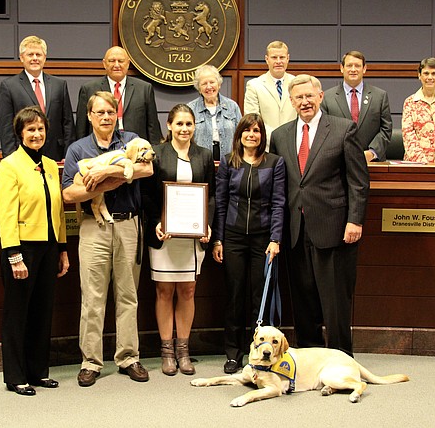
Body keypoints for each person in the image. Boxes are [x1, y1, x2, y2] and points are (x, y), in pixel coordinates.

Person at [269, 74, 369, 357]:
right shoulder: (280, 135)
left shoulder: (342, 129)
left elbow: (358, 182)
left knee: (335, 301)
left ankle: (340, 360)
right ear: (291, 101)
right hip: (295, 230)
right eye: (298, 98)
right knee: (303, 300)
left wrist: (355, 220)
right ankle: (311, 358)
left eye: (309, 96)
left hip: (334, 228)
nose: (304, 102)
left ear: (320, 97)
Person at [62, 91, 154, 387]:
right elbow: (68, 193)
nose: (105, 117)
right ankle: (91, 361)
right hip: (93, 227)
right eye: (99, 112)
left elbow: (147, 168)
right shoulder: (78, 148)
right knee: (92, 298)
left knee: (128, 296)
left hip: (129, 224)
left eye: (109, 112)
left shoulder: (132, 140)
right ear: (89, 116)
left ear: (118, 114)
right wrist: (111, 179)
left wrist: (106, 172)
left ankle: (128, 357)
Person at [0, 106, 69, 396]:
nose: (36, 134)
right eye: (31, 130)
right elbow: (6, 214)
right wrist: (14, 255)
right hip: (22, 249)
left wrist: (62, 250)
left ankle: (38, 371)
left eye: (40, 129)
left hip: (49, 248)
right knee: (17, 314)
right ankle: (15, 376)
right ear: (20, 133)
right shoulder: (10, 165)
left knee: (42, 312)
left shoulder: (51, 165)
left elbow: (59, 212)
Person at [142, 104, 215, 376]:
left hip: (193, 236)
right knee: (164, 291)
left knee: (187, 291)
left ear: (194, 127)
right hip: (165, 235)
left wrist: (208, 224)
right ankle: (166, 351)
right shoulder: (157, 154)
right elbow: (147, 195)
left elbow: (213, 196)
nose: (184, 129)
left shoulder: (204, 156)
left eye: (189, 124)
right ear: (169, 126)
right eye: (179, 124)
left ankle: (184, 351)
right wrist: (157, 223)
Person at [212, 113, 286, 374]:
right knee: (234, 296)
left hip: (263, 240)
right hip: (232, 238)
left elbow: (278, 203)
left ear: (262, 135)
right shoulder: (229, 164)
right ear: (239, 135)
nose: (251, 135)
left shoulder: (274, 163)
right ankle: (233, 354)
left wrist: (275, 238)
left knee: (259, 298)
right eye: (247, 130)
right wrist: (218, 239)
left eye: (256, 130)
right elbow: (220, 204)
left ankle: (260, 352)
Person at [0, 35, 75, 160]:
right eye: (30, 54)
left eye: (38, 55)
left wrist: (69, 155)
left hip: (55, 154)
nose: (35, 58)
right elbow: (6, 127)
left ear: (44, 58)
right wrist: (11, 158)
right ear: (22, 58)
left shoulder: (59, 85)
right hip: (23, 155)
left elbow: (68, 124)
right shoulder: (9, 86)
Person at [75, 46, 162, 145]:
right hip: (99, 150)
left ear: (128, 63)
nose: (116, 65)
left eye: (121, 61)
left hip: (135, 150)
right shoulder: (89, 89)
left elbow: (153, 127)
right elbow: (81, 128)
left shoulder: (144, 89)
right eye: (112, 61)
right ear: (104, 64)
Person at [321, 51, 393, 162]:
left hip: (371, 163)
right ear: (342, 68)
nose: (353, 69)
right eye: (349, 65)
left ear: (364, 69)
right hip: (338, 163)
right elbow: (323, 130)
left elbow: (386, 129)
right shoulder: (327, 97)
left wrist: (372, 152)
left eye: (357, 66)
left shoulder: (380, 96)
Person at [244, 41, 297, 147]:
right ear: (267, 59)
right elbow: (253, 120)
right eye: (274, 57)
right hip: (266, 146)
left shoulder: (297, 84)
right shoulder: (254, 85)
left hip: (293, 145)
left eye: (282, 57)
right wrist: (276, 138)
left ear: (288, 58)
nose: (278, 61)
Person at [187, 65, 242, 161]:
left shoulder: (232, 106)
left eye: (212, 82)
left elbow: (241, 135)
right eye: (204, 83)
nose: (209, 86)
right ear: (199, 88)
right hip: (199, 161)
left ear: (219, 84)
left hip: (229, 161)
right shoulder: (190, 109)